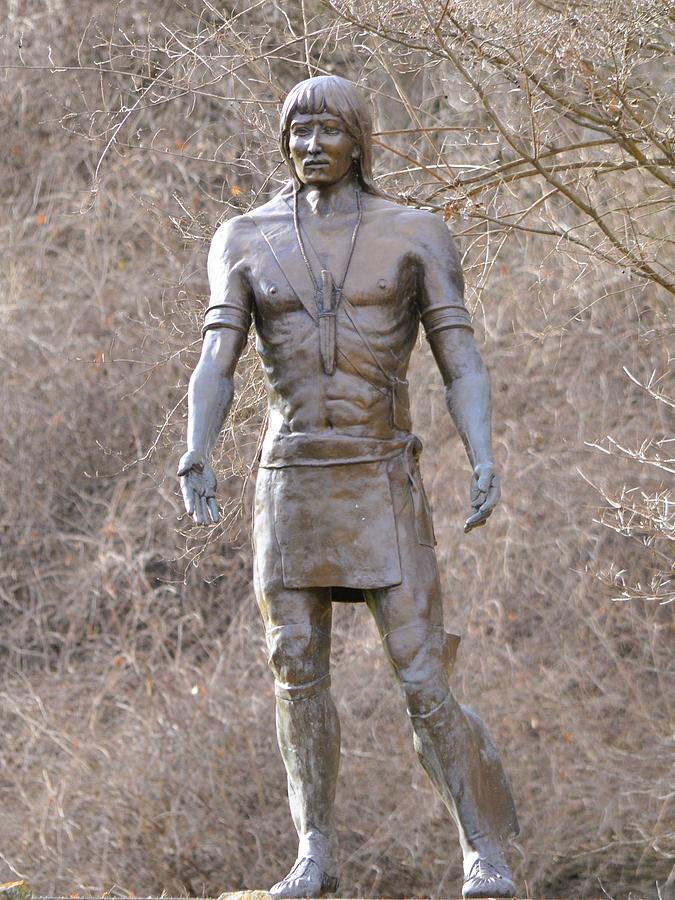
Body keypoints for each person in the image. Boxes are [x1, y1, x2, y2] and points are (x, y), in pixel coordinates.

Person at [177, 75, 519, 899]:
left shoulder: (415, 232)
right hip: (289, 476)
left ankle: (483, 847)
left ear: (360, 139)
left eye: (328, 131)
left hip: (379, 470)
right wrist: (197, 449)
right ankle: (313, 853)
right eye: (297, 133)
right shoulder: (243, 237)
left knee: (420, 673)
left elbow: (458, 357)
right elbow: (217, 357)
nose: (310, 147)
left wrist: (479, 449)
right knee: (294, 667)